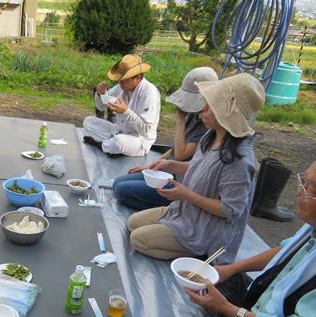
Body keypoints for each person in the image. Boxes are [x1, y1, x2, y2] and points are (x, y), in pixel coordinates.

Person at [179, 159, 316, 317]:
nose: (299, 191)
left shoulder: (238, 161)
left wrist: (230, 311)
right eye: (303, 180)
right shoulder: (311, 230)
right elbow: (283, 250)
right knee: (223, 279)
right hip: (267, 315)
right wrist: (231, 268)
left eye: (311, 188)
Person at [127, 73, 265, 265]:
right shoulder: (212, 136)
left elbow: (231, 210)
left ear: (225, 111)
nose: (203, 111)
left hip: (205, 229)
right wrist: (170, 164)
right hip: (185, 212)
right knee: (133, 222)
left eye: (210, 105)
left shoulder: (239, 160)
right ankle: (176, 235)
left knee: (138, 240)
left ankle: (199, 255)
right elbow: (201, 168)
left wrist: (187, 195)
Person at [111, 67, 218, 210]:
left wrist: (180, 121)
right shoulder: (195, 113)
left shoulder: (207, 124)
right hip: (167, 171)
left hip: (179, 182)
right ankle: (161, 204)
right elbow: (175, 149)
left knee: (122, 190)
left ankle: (170, 207)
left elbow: (180, 155)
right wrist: (155, 164)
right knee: (117, 182)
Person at [82, 54, 161, 157]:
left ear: (137, 78)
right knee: (88, 122)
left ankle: (103, 145)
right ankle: (110, 146)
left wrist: (126, 112)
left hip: (139, 139)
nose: (120, 82)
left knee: (118, 142)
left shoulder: (149, 93)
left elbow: (146, 129)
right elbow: (101, 107)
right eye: (119, 79)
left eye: (124, 79)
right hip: (119, 130)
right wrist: (99, 93)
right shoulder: (121, 87)